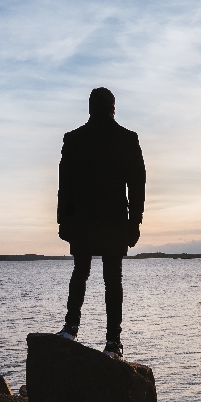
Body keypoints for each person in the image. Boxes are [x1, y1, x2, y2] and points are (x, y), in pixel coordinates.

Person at [55, 87, 146, 359]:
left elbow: (65, 185)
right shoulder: (127, 139)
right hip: (114, 219)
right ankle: (113, 342)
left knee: (80, 272)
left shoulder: (74, 139)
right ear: (112, 108)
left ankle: (71, 327)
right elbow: (137, 185)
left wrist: (63, 220)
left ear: (90, 108)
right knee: (112, 279)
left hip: (83, 219)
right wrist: (135, 222)